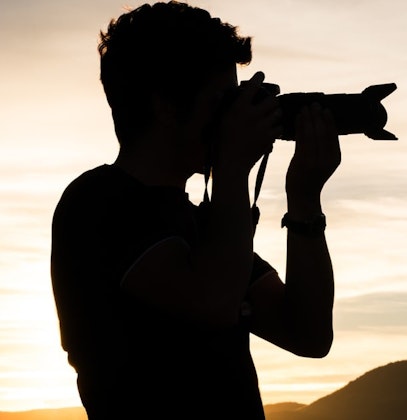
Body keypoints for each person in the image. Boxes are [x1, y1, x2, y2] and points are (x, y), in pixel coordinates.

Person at [50, 2, 339, 418]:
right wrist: (232, 168)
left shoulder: (206, 221)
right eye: (223, 100)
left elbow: (308, 333)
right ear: (165, 104)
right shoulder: (97, 203)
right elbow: (214, 304)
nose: (233, 116)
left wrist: (305, 200)